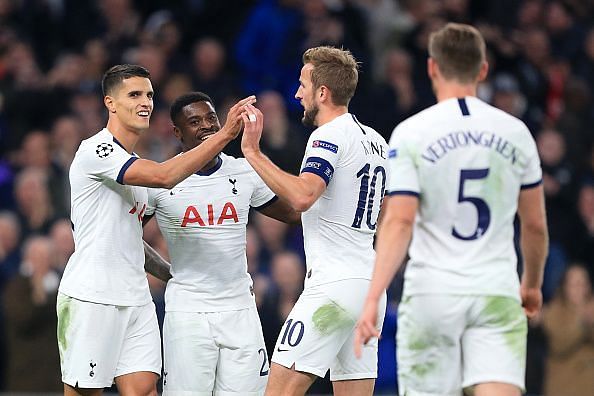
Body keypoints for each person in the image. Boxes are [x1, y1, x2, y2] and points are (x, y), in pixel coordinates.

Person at [354, 23, 548, 396]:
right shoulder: (516, 132)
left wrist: (374, 295)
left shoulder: (412, 132)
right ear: (483, 70)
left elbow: (400, 220)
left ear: (431, 68)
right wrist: (533, 285)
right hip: (496, 287)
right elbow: (535, 225)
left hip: (433, 291)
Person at [57, 64, 255, 396]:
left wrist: (171, 274)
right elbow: (164, 177)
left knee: (145, 391)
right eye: (134, 94)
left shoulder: (137, 163)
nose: (145, 102)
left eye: (149, 94)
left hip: (136, 297)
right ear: (110, 103)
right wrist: (224, 134)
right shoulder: (97, 150)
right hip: (93, 296)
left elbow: (131, 238)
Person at [241, 46, 389, 396]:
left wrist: (253, 153)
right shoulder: (376, 141)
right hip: (368, 287)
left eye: (303, 85)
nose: (297, 93)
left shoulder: (327, 136)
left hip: (333, 288)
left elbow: (304, 195)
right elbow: (375, 208)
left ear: (323, 92)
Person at [143, 91, 300, 395]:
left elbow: (294, 213)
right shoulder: (161, 181)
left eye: (211, 118)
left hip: (240, 308)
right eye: (194, 121)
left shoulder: (243, 172)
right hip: (188, 313)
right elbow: (125, 236)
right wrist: (166, 272)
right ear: (177, 133)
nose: (206, 125)